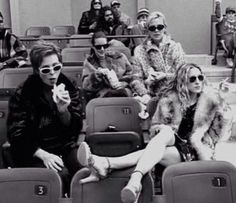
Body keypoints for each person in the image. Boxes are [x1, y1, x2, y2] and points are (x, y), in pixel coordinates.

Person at [77, 63, 233, 203]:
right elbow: (156, 129)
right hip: (171, 142)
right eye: (192, 79)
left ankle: (111, 165)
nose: (197, 81)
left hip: (195, 150)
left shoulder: (211, 100)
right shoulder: (169, 100)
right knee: (164, 134)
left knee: (160, 150)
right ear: (183, 81)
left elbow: (222, 133)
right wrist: (160, 129)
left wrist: (222, 100)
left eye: (200, 77)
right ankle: (129, 176)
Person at [7, 40, 83, 194]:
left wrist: (63, 111)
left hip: (64, 145)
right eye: (46, 70)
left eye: (56, 68)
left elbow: (75, 128)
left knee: (84, 173)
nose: (53, 74)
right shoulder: (23, 93)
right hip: (34, 150)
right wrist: (43, 154)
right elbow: (16, 134)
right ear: (36, 70)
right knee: (59, 177)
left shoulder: (70, 86)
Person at [130, 11, 185, 106]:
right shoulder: (139, 50)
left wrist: (165, 75)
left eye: (160, 27)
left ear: (165, 28)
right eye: (152, 28)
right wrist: (145, 91)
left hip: (174, 93)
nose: (156, 30)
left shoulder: (175, 47)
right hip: (150, 95)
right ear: (147, 30)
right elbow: (136, 79)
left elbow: (184, 74)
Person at [82, 31, 133, 102]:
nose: (102, 49)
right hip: (102, 93)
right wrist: (96, 76)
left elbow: (131, 74)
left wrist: (125, 83)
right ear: (93, 47)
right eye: (98, 47)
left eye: (105, 46)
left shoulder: (119, 57)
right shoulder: (89, 62)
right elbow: (86, 85)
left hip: (122, 89)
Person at [215, 0, 236, 68]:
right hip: (225, 38)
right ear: (226, 14)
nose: (231, 15)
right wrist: (218, 4)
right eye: (229, 13)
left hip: (234, 39)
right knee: (230, 38)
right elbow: (218, 15)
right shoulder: (223, 20)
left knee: (234, 36)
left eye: (232, 13)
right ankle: (229, 57)